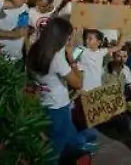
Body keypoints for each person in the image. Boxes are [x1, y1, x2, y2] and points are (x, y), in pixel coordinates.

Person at [26, 17, 99, 159]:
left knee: (63, 136)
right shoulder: (57, 58)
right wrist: (73, 61)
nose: (69, 40)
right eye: (68, 36)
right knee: (55, 148)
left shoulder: (35, 48)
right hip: (59, 107)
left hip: (43, 102)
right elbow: (77, 83)